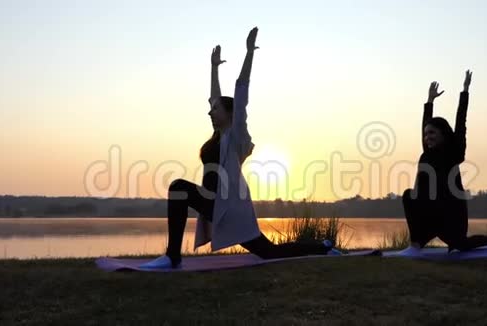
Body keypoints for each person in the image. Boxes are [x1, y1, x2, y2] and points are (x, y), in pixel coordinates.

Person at [141, 27, 339, 269]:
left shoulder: (236, 137)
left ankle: (323, 246)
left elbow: (241, 90)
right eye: (211, 110)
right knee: (179, 188)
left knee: (269, 252)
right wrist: (213, 68)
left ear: (231, 114)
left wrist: (249, 53)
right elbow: (214, 98)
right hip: (212, 202)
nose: (210, 112)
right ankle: (172, 256)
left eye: (216, 110)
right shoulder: (217, 135)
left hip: (231, 208)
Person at [399, 70, 487, 256]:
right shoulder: (427, 154)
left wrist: (465, 91)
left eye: (432, 133)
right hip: (430, 214)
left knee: (460, 246)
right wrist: (429, 101)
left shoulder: (454, 153)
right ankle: (415, 246)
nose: (427, 137)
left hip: (451, 214)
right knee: (408, 195)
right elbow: (425, 124)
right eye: (425, 134)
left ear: (443, 134)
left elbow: (461, 120)